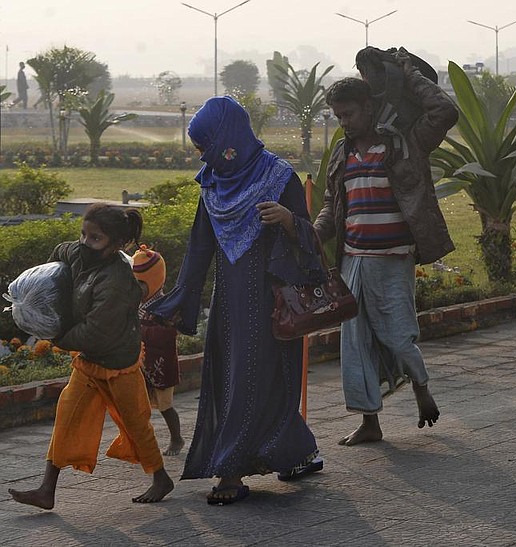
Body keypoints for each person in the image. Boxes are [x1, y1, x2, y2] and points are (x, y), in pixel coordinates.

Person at [145, 96, 325, 505]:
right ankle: (293, 453)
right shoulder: (212, 182)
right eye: (199, 148)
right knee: (233, 378)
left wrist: (288, 221)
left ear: (228, 139)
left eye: (205, 145)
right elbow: (198, 248)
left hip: (273, 301)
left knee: (262, 377)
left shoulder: (280, 177)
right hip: (230, 307)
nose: (202, 155)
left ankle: (230, 472)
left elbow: (310, 240)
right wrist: (178, 300)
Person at [315, 49, 458, 446]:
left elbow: (444, 112)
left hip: (393, 258)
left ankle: (420, 385)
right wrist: (317, 231)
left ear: (369, 107)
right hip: (353, 260)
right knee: (355, 343)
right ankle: (369, 422)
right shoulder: (342, 155)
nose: (344, 123)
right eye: (339, 117)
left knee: (397, 334)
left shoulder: (406, 142)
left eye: (350, 115)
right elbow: (333, 204)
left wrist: (411, 73)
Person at [8, 203, 174, 510]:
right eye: (83, 234)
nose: (85, 243)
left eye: (95, 238)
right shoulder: (80, 255)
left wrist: (55, 336)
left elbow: (95, 332)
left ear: (116, 245)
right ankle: (47, 490)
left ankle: (160, 477)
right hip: (88, 363)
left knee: (135, 424)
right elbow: (61, 252)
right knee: (67, 417)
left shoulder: (117, 282)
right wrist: (47, 286)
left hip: (118, 364)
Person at [132, 244, 184, 456]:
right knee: (137, 405)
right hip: (140, 362)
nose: (138, 289)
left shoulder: (166, 305)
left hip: (161, 364)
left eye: (141, 284)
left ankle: (177, 438)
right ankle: (139, 442)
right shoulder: (136, 303)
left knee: (165, 405)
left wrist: (144, 331)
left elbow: (171, 333)